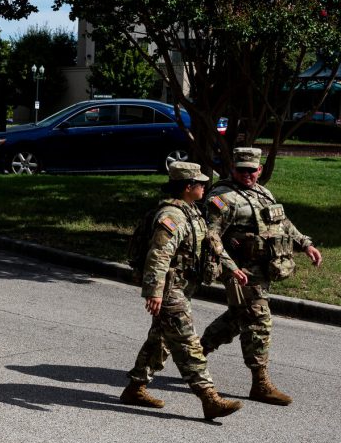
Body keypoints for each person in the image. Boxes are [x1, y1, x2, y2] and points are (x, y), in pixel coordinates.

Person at [120, 161, 246, 420]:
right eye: (200, 183)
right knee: (188, 342)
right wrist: (155, 292)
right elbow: (158, 255)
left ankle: (135, 388)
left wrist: (231, 267)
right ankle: (209, 398)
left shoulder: (191, 211)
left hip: (183, 287)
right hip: (170, 290)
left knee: (160, 339)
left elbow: (212, 243)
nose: (204, 186)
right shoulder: (172, 216)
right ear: (188, 187)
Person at [200, 146, 322, 405]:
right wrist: (230, 268)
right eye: (241, 170)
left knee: (238, 317)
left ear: (260, 169)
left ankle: (195, 354)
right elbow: (211, 237)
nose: (247, 174)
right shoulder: (221, 198)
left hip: (263, 268)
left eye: (252, 170)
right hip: (241, 272)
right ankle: (260, 383)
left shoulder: (263, 193)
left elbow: (283, 223)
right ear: (233, 168)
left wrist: (305, 244)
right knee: (259, 320)